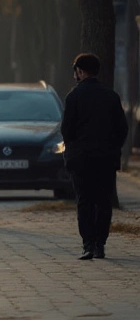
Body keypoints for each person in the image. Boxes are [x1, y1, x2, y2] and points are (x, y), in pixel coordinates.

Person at [60, 53, 129, 260]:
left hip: (81, 159)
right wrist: (113, 147)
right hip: (105, 158)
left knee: (85, 200)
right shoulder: (111, 96)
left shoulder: (73, 97)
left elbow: (66, 131)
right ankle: (100, 244)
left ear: (79, 71)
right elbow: (122, 129)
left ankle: (88, 244)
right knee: (104, 201)